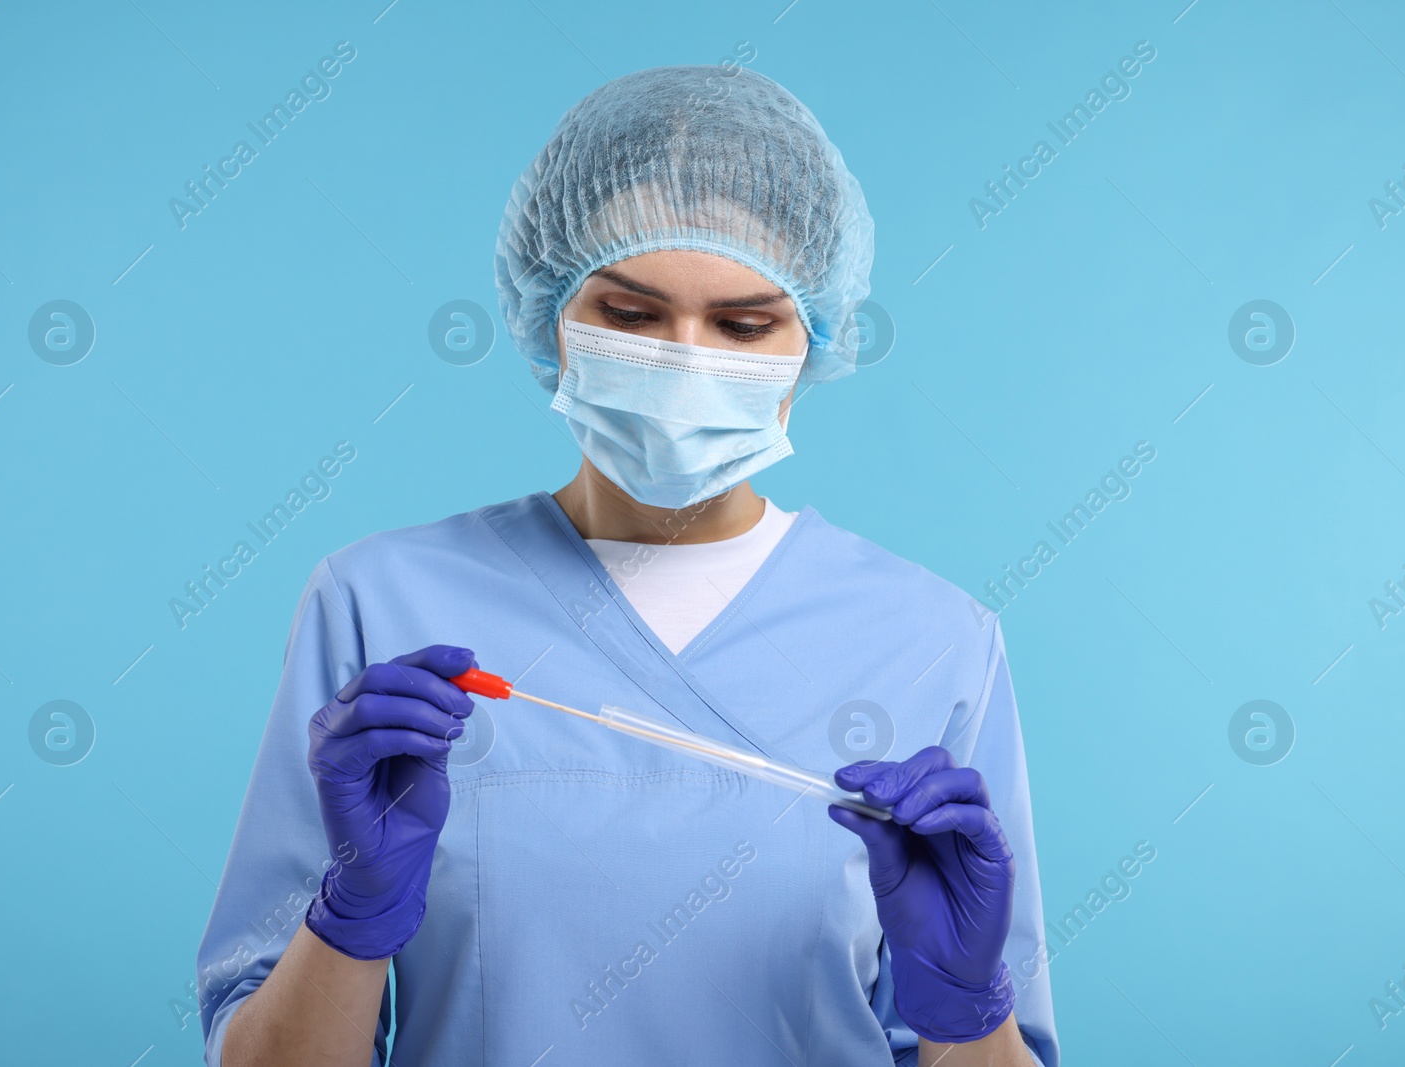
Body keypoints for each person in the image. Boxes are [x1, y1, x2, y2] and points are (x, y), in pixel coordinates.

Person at [197, 65, 1059, 1067]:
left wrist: (962, 1006)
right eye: (631, 315)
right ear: (548, 313)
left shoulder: (932, 640)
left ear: (812, 340)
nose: (687, 365)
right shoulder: (383, 605)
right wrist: (352, 916)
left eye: (742, 325)